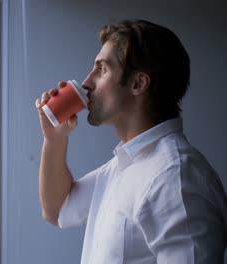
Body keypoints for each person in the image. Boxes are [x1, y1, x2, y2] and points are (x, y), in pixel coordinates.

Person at [35, 19, 227, 263]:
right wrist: (54, 138)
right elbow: (57, 209)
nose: (85, 83)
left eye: (101, 69)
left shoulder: (175, 179)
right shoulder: (123, 167)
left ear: (138, 83)